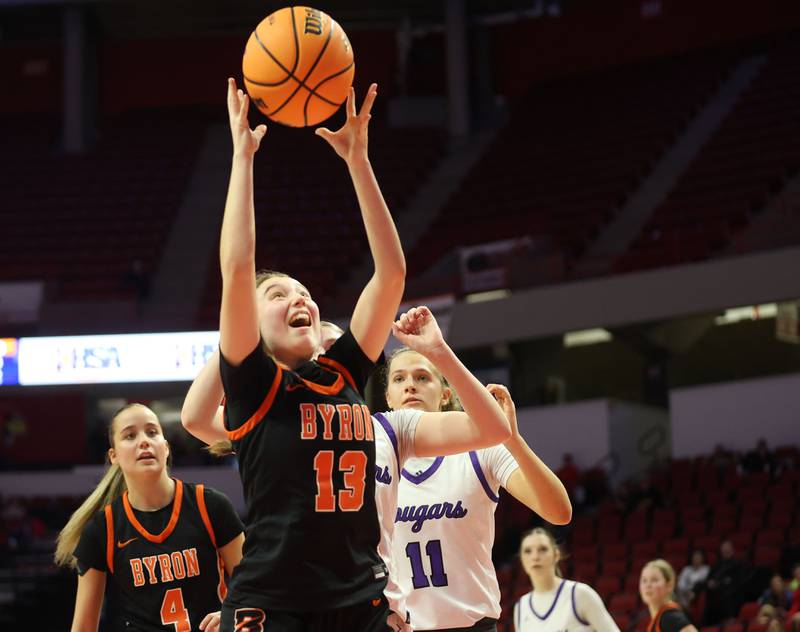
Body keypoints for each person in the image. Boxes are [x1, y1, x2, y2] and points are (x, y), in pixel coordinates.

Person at [211, 78, 406, 631]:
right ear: (253, 322)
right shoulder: (253, 385)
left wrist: (358, 161)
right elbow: (237, 266)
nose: (299, 297)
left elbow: (391, 274)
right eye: (278, 294)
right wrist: (242, 157)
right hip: (273, 603)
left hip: (358, 599)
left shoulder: (342, 370)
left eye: (305, 292)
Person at [183, 305, 513, 631]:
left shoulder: (389, 429)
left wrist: (439, 353)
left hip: (367, 607)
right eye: (322, 350)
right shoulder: (272, 423)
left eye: (338, 348)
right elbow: (196, 418)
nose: (332, 357)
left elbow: (491, 427)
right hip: (288, 605)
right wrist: (242, 329)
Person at [387, 343, 572, 631]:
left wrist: (511, 438)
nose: (410, 385)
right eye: (399, 378)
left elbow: (559, 512)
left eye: (422, 377)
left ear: (445, 394)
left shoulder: (481, 451)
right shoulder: (374, 460)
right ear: (388, 397)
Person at [55, 403, 244, 632]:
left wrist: (232, 613)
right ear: (113, 456)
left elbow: (254, 590)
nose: (144, 441)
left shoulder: (210, 505)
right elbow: (84, 627)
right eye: (130, 435)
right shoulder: (102, 529)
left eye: (152, 432)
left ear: (165, 447)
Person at [513, 527, 618, 632]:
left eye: (543, 549)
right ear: (521, 559)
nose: (535, 557)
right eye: (527, 551)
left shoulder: (580, 594)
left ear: (556, 555)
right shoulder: (521, 607)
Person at [640, 559, 698, 632]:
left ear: (669, 585)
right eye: (644, 580)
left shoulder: (669, 617)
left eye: (654, 580)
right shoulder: (660, 617)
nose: (648, 585)